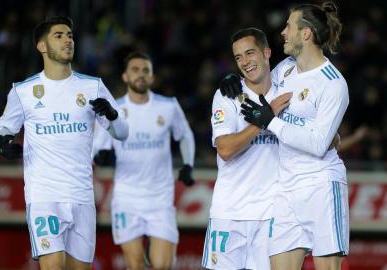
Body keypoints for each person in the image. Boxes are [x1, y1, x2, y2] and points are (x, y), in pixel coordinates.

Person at [220, 2, 349, 270]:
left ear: (306, 34)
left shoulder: (332, 83)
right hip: (285, 190)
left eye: (289, 26)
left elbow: (317, 144)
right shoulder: (286, 68)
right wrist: (231, 79)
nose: (283, 32)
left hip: (321, 185)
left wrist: (271, 122)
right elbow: (259, 84)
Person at [0, 16, 128, 270]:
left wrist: (111, 114)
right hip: (44, 194)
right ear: (42, 46)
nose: (68, 39)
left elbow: (122, 133)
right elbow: (4, 128)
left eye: (70, 35)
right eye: (59, 35)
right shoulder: (23, 91)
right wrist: (2, 142)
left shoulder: (93, 86)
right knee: (53, 265)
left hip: (81, 196)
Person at [92, 51, 195, 270]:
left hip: (160, 199)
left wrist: (188, 164)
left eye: (146, 70)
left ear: (152, 77)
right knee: (134, 264)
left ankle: (153, 252)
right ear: (125, 77)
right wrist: (101, 155)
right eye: (135, 70)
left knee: (162, 265)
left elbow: (185, 135)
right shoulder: (114, 110)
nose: (141, 74)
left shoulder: (168, 106)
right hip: (127, 199)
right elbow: (98, 148)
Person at [201, 28, 292, 269]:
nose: (244, 62)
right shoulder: (227, 95)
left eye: (250, 53)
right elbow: (225, 149)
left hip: (271, 215)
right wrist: (263, 120)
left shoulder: (286, 94)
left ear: (267, 52)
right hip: (229, 212)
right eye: (238, 57)